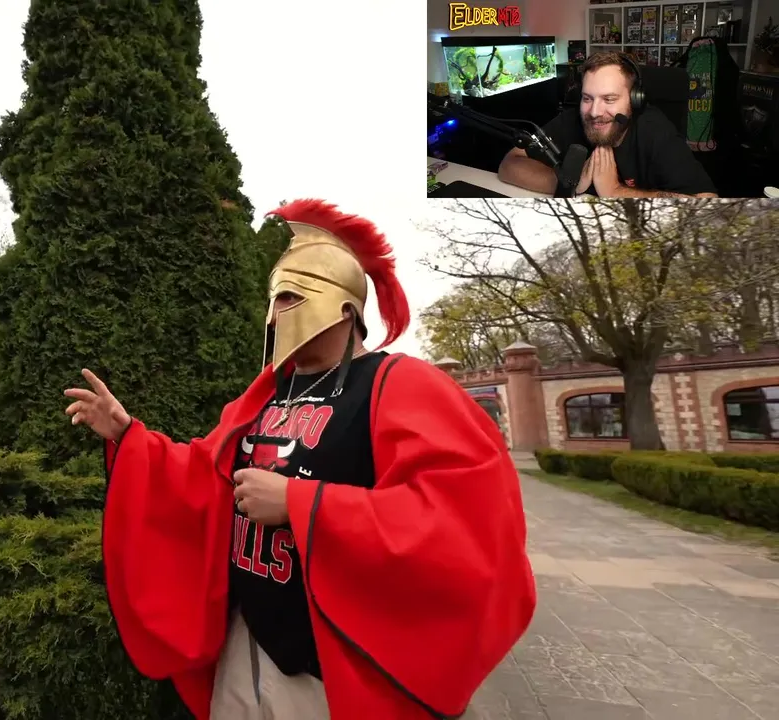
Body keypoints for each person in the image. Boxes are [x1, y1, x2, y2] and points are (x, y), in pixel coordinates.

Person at [64, 199, 536, 720]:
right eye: (275, 297)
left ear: (346, 309)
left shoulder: (401, 385)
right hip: (245, 644)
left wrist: (300, 502)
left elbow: (461, 522)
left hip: (336, 661)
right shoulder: (267, 393)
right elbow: (204, 473)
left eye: (293, 295)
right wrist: (128, 434)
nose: (278, 311)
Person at [497, 51, 717, 198]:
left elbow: (706, 201)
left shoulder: (654, 130)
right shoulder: (573, 119)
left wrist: (616, 191)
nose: (594, 112)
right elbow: (509, 164)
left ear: (635, 100)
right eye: (587, 98)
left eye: (609, 99)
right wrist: (568, 182)